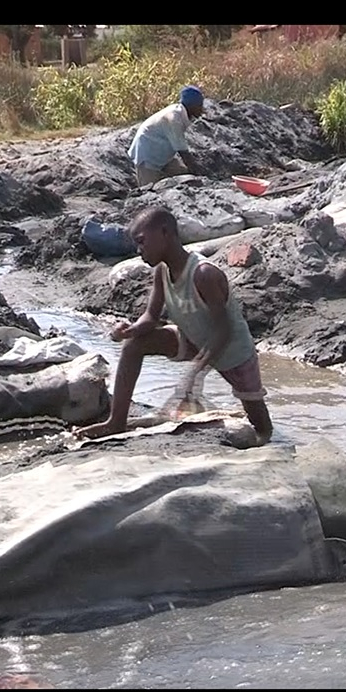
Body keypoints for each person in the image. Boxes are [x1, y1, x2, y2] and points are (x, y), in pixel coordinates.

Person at [75, 206, 273, 447]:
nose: (139, 250)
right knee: (134, 345)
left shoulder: (204, 274)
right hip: (192, 338)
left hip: (233, 352)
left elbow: (224, 331)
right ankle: (116, 421)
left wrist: (195, 371)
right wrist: (130, 330)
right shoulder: (162, 271)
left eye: (142, 241)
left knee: (262, 429)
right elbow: (150, 317)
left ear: (165, 233)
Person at [127, 85, 205, 187]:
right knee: (148, 189)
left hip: (163, 155)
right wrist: (199, 173)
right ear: (192, 106)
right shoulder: (173, 119)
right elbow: (183, 152)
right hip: (147, 155)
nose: (202, 109)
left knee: (184, 175)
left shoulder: (180, 112)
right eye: (200, 106)